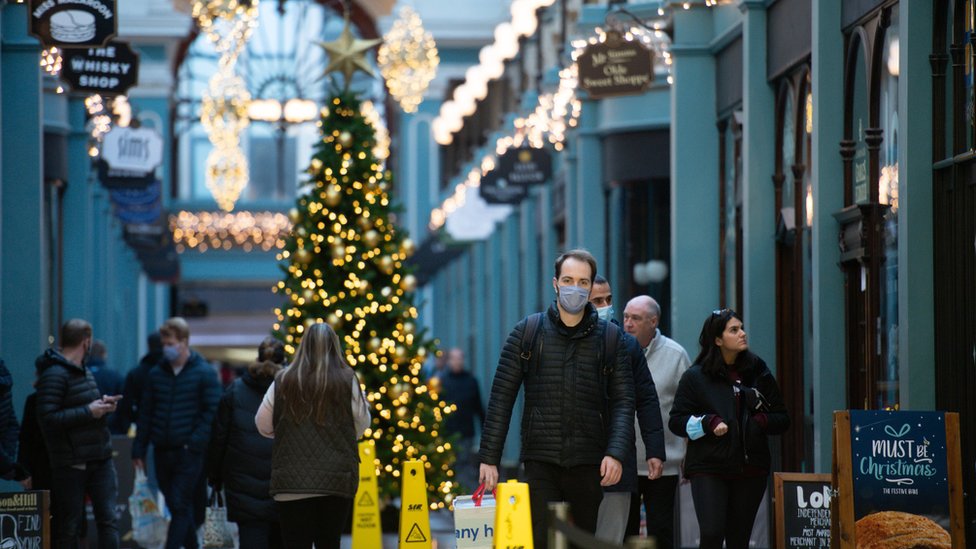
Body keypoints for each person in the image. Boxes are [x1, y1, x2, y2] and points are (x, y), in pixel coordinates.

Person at [479, 249, 635, 549]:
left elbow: (624, 402)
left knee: (582, 540)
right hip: (541, 459)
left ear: (590, 287)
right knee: (541, 539)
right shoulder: (527, 333)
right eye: (568, 280)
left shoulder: (611, 340)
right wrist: (489, 458)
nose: (574, 288)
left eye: (582, 281)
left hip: (590, 460)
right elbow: (502, 397)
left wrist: (615, 453)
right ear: (555, 284)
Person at [668, 309, 790, 549]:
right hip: (709, 466)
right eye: (734, 330)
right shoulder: (696, 377)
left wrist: (758, 422)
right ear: (717, 339)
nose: (743, 333)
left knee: (739, 539)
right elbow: (677, 421)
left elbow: (782, 418)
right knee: (712, 533)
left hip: (750, 466)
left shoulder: (757, 371)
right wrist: (707, 423)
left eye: (742, 327)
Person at [255, 322, 370, 549]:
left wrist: (285, 435)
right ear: (334, 347)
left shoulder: (284, 379)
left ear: (303, 346)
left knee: (295, 543)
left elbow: (262, 423)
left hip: (290, 481)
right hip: (336, 479)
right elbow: (362, 425)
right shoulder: (347, 379)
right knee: (329, 542)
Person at [132, 317, 221, 549]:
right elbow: (146, 413)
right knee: (177, 504)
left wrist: (194, 444)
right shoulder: (156, 374)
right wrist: (139, 448)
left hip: (188, 452)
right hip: (161, 450)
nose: (166, 348)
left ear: (184, 342)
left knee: (180, 504)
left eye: (170, 343)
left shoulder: (203, 374)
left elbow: (211, 413)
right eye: (164, 343)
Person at [589, 278, 666, 545]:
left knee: (612, 536)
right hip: (575, 462)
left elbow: (646, 399)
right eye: (598, 301)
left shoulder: (626, 344)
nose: (606, 306)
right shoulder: (559, 342)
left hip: (618, 456)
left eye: (609, 300)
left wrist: (655, 449)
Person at [36, 319, 120, 549]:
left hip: (99, 456)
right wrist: (88, 412)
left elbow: (82, 408)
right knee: (69, 526)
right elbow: (48, 418)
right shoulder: (54, 374)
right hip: (71, 462)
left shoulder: (83, 371)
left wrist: (102, 408)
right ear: (86, 342)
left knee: (108, 521)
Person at [622, 295, 691, 547]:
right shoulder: (615, 349)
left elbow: (688, 408)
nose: (628, 323)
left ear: (654, 322)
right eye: (626, 317)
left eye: (636, 319)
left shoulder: (676, 356)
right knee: (624, 533)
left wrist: (688, 451)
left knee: (661, 531)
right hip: (623, 462)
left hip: (663, 463)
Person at [207, 337, 286, 549]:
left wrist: (214, 476)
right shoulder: (293, 390)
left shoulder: (235, 391)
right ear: (284, 361)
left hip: (244, 489)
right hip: (285, 487)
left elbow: (219, 438)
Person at [438, 348, 485, 493]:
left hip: (466, 432)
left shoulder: (471, 381)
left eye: (459, 358)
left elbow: (478, 407)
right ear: (449, 361)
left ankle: (463, 494)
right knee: (450, 466)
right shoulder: (442, 382)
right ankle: (451, 495)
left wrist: (486, 429)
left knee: (463, 464)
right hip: (448, 433)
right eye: (454, 358)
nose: (457, 362)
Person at [118, 331, 163, 435]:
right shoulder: (169, 372)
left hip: (141, 428)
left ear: (148, 346)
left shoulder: (136, 373)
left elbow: (125, 406)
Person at [87, 341, 127, 435]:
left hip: (86, 427)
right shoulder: (114, 376)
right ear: (104, 354)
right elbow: (123, 403)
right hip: (112, 428)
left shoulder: (80, 375)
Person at [0, 359, 29, 487]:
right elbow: (11, 424)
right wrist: (8, 466)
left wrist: (7, 466)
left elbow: (11, 424)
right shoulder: (4, 377)